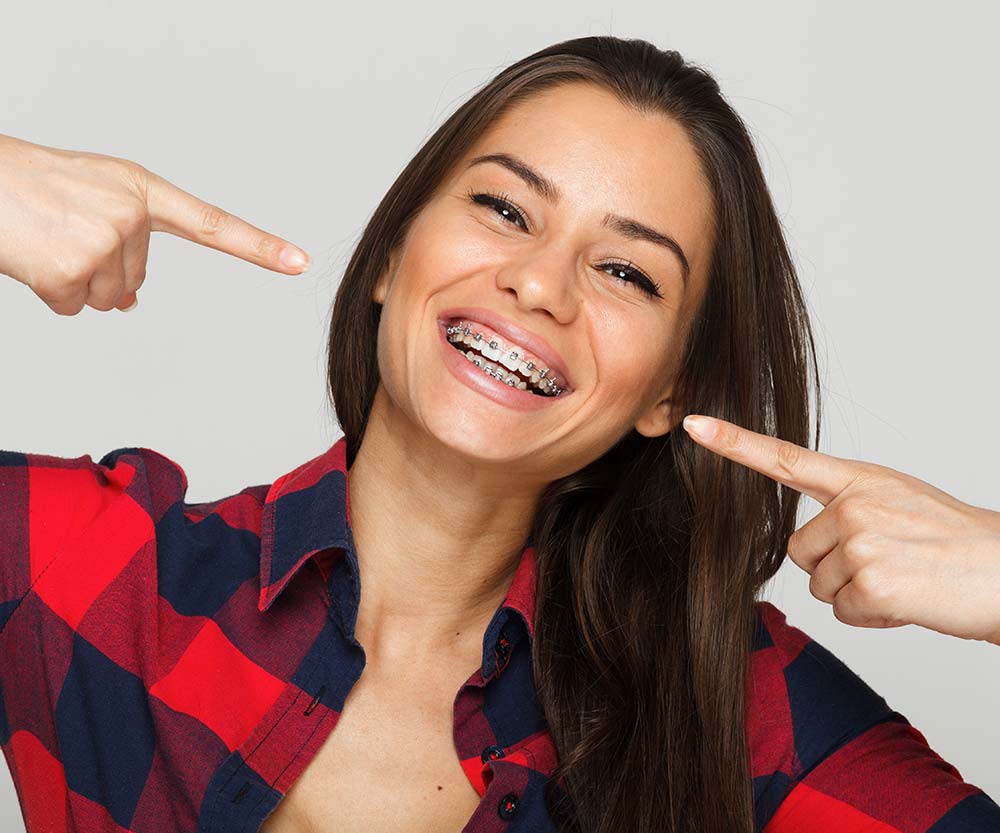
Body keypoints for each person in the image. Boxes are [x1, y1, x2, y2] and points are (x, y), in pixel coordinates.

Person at [1, 36, 998, 833]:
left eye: (625, 272)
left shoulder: (737, 710)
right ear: (394, 250)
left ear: (666, 391)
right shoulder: (98, 570)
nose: (537, 283)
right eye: (504, 207)